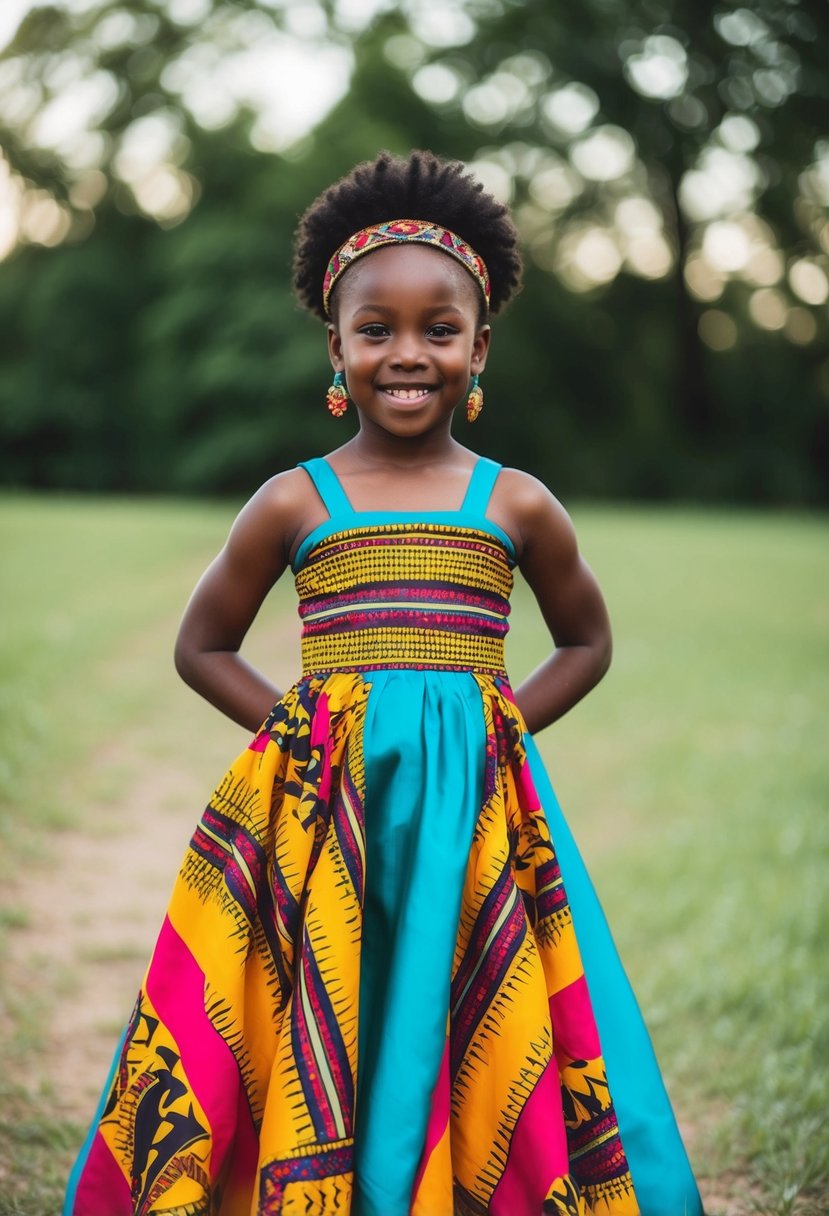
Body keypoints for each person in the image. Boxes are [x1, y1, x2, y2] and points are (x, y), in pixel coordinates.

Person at [64, 150, 703, 1216]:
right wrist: (300, 730)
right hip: (323, 813)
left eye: (438, 330)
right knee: (321, 990)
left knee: (459, 999)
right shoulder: (292, 503)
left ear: (479, 346)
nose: (407, 355)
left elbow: (585, 641)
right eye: (377, 331)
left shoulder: (519, 506)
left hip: (473, 816)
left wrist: (502, 730)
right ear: (337, 346)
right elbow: (202, 645)